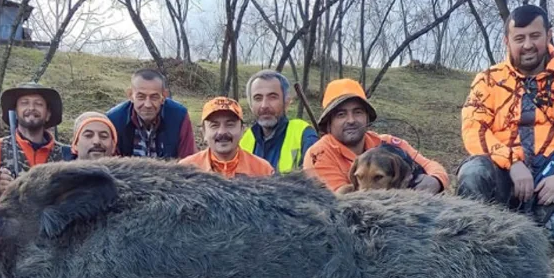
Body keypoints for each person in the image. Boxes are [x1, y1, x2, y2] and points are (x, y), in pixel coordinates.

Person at [457, 4, 554, 251]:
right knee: (473, 172)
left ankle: (515, 238)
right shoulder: (488, 80)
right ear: (507, 41)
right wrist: (512, 162)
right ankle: (479, 241)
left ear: (549, 35)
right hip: (505, 181)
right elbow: (473, 128)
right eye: (519, 38)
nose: (528, 45)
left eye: (535, 36)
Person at [304, 78, 448, 194]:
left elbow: (430, 165)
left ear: (367, 117)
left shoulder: (387, 143)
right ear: (329, 122)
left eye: (358, 112)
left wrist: (436, 180)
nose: (351, 120)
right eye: (341, 114)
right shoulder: (318, 154)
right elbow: (339, 200)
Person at [0, 82, 72, 196]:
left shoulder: (67, 155)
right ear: (15, 112)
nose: (31, 108)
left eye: (39, 104)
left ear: (48, 114)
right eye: (24, 103)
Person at [239, 70, 319, 173]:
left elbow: (316, 183)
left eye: (272, 97)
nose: (264, 105)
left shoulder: (303, 135)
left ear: (286, 102)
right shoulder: (245, 142)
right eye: (258, 98)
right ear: (250, 105)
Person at [106, 69, 197, 159]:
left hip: (170, 172)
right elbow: (111, 163)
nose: (148, 105)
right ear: (131, 95)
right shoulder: (114, 119)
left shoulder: (179, 116)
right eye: (141, 97)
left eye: (154, 97)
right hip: (126, 173)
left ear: (164, 97)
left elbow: (189, 160)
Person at [179, 97, 275, 178]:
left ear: (242, 130)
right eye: (214, 125)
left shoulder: (263, 170)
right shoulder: (185, 170)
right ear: (204, 132)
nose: (222, 132)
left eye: (230, 124)